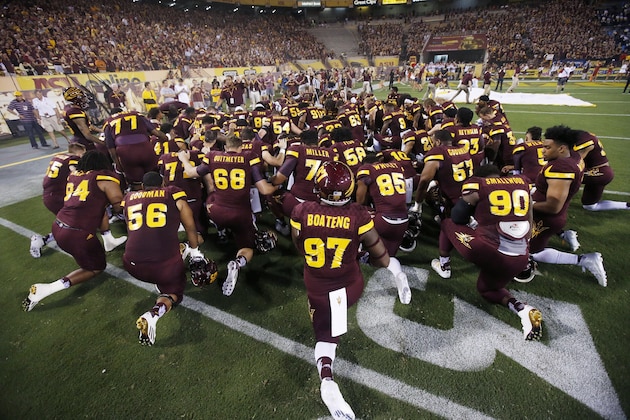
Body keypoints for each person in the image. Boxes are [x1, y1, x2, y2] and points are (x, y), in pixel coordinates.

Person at [290, 161, 410, 420]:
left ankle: (327, 378)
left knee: (326, 335)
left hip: (317, 284)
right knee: (385, 263)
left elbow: (299, 245)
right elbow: (379, 254)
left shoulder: (300, 211)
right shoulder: (359, 215)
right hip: (349, 286)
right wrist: (362, 251)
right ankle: (399, 274)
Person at [431, 165, 543, 341]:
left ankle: (444, 266)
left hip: (489, 252)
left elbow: (457, 217)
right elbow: (529, 219)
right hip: (520, 257)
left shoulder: (479, 186)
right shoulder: (522, 183)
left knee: (446, 224)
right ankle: (523, 310)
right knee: (487, 289)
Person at [22, 151, 125, 312]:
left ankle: (109, 240)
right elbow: (119, 204)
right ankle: (46, 289)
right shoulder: (105, 178)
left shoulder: (74, 175)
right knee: (96, 268)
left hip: (58, 226)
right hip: (78, 233)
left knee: (100, 212)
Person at [178, 134, 278, 296]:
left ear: (225, 148)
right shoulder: (249, 157)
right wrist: (276, 186)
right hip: (240, 213)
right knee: (247, 247)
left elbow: (190, 172)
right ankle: (237, 263)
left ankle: (218, 232)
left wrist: (183, 158)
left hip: (216, 211)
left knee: (211, 195)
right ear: (240, 148)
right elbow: (264, 190)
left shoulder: (212, 156)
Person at [122, 171, 207, 346]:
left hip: (131, 264)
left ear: (143, 187)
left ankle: (173, 261)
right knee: (173, 292)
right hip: (163, 267)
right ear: (163, 184)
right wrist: (196, 251)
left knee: (169, 248)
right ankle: (153, 313)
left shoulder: (129, 198)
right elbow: (190, 227)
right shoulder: (172, 193)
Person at [523, 125, 607, 287]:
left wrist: (525, 203)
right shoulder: (573, 156)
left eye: (547, 148)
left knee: (532, 251)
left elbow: (553, 206)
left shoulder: (560, 168)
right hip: (553, 214)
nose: (543, 151)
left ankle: (585, 260)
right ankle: (566, 235)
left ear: (561, 148)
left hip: (546, 217)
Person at [29, 142, 127, 258]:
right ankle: (42, 240)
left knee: (98, 211)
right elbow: (74, 170)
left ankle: (108, 240)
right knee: (77, 222)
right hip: (60, 196)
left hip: (53, 193)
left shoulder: (59, 156)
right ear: (80, 152)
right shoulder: (74, 160)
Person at [103, 109, 167, 190]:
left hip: (126, 152)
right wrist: (166, 139)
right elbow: (157, 133)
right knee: (154, 179)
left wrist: (118, 164)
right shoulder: (138, 115)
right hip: (145, 148)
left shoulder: (109, 122)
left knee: (137, 183)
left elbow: (111, 148)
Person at [572, 129, 629, 211]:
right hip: (598, 170)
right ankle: (627, 205)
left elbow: (575, 163)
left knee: (565, 175)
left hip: (601, 173)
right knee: (589, 206)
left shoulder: (584, 142)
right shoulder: (582, 137)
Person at [62, 87, 105, 152]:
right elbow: (87, 135)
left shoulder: (69, 108)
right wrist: (104, 144)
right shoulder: (75, 112)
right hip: (82, 143)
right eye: (82, 98)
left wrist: (101, 130)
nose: (84, 100)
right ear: (76, 100)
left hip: (78, 140)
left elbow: (88, 125)